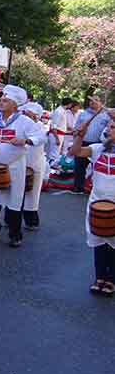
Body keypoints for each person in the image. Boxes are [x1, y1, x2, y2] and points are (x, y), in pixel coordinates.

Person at [0, 85, 43, 248]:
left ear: (15, 104)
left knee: (14, 200)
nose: (1, 102)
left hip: (14, 167)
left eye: (5, 100)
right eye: (0, 100)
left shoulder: (24, 122)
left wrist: (25, 140)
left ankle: (15, 234)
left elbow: (41, 136)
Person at [70, 120, 115, 296]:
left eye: (113, 127)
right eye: (109, 127)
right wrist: (79, 136)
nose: (108, 130)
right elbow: (75, 152)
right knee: (99, 240)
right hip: (97, 202)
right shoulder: (97, 149)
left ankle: (111, 279)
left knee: (113, 244)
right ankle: (100, 277)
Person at [72, 93, 111, 195]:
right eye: (91, 100)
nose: (92, 102)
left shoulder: (106, 115)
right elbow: (77, 128)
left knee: (97, 167)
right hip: (84, 142)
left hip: (98, 143)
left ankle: (94, 187)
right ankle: (78, 187)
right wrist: (76, 136)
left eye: (96, 100)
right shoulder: (83, 114)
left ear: (101, 103)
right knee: (79, 165)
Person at [20, 103, 49, 230]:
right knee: (15, 193)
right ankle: (11, 219)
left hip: (35, 164)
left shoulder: (40, 127)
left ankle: (31, 221)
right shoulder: (20, 125)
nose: (26, 116)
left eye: (29, 114)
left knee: (32, 194)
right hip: (20, 163)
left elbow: (39, 140)